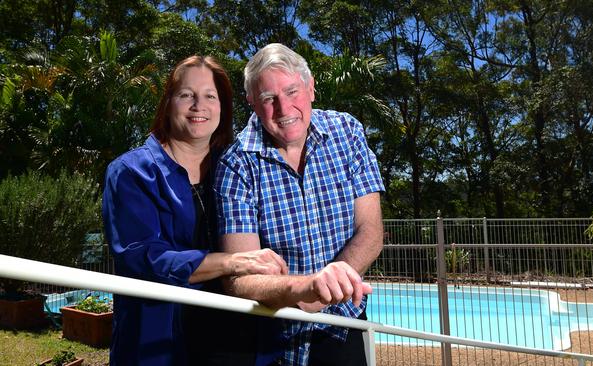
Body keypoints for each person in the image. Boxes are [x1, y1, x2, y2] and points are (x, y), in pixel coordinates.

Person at [102, 55, 288, 366]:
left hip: (240, 347)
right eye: (186, 95)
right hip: (162, 347)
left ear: (222, 107)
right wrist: (231, 261)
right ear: (168, 103)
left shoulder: (238, 168)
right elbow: (144, 258)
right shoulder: (131, 172)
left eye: (209, 96)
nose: (198, 106)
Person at [214, 43, 385, 366]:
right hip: (271, 338)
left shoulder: (347, 133)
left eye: (293, 91)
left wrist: (330, 286)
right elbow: (238, 279)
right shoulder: (236, 163)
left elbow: (371, 230)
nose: (284, 108)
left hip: (343, 325)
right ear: (252, 102)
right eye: (268, 98)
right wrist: (306, 289)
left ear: (311, 87)